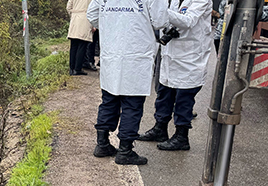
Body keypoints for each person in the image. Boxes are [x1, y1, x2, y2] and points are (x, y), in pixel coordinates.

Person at [87, 0, 169, 165]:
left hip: (112, 52)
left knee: (109, 99)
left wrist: (113, 23)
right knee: (132, 104)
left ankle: (102, 144)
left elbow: (92, 15)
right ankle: (125, 151)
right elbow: (160, 20)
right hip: (136, 54)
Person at [137, 0, 212, 151]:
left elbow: (188, 21)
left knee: (184, 100)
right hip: (170, 56)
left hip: (189, 58)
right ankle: (160, 129)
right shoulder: (174, 1)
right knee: (164, 95)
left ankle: (181, 137)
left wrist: (159, 10)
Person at [67, 0, 94, 75]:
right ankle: (77, 68)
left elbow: (68, 7)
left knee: (74, 45)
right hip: (85, 19)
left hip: (75, 19)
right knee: (82, 45)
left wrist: (73, 15)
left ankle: (71, 69)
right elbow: (94, 8)